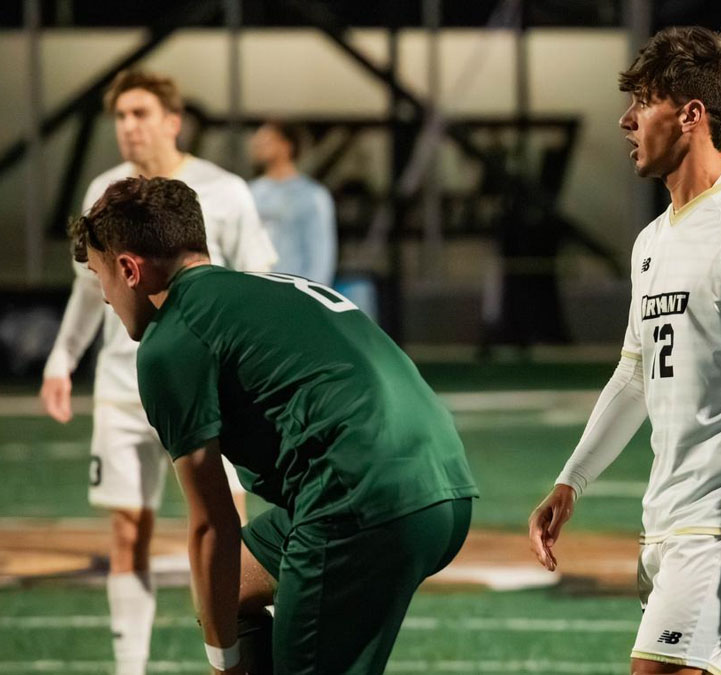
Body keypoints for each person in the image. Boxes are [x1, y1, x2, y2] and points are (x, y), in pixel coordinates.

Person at [71, 176, 478, 675]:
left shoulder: (172, 338)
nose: (106, 299)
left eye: (100, 276)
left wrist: (223, 663)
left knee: (224, 595)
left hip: (360, 501)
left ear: (130, 270)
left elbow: (212, 524)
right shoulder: (271, 286)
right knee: (231, 588)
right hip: (448, 488)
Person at [529, 27, 721, 675]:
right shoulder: (652, 240)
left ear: (691, 116)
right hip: (664, 517)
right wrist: (572, 479)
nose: (627, 120)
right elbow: (634, 374)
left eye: (644, 103)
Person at [39, 69, 276, 675]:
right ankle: (130, 668)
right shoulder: (104, 191)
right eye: (120, 116)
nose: (128, 127)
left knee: (232, 530)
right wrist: (62, 359)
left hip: (204, 387)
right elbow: (87, 291)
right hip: (123, 389)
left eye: (140, 113)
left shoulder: (223, 191)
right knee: (127, 531)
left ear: (173, 121)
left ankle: (248, 658)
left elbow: (257, 281)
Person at [249, 120, 338, 285]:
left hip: (296, 292)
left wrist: (314, 296)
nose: (258, 145)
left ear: (286, 146)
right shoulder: (249, 192)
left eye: (267, 140)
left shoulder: (312, 195)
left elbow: (321, 254)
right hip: (256, 292)